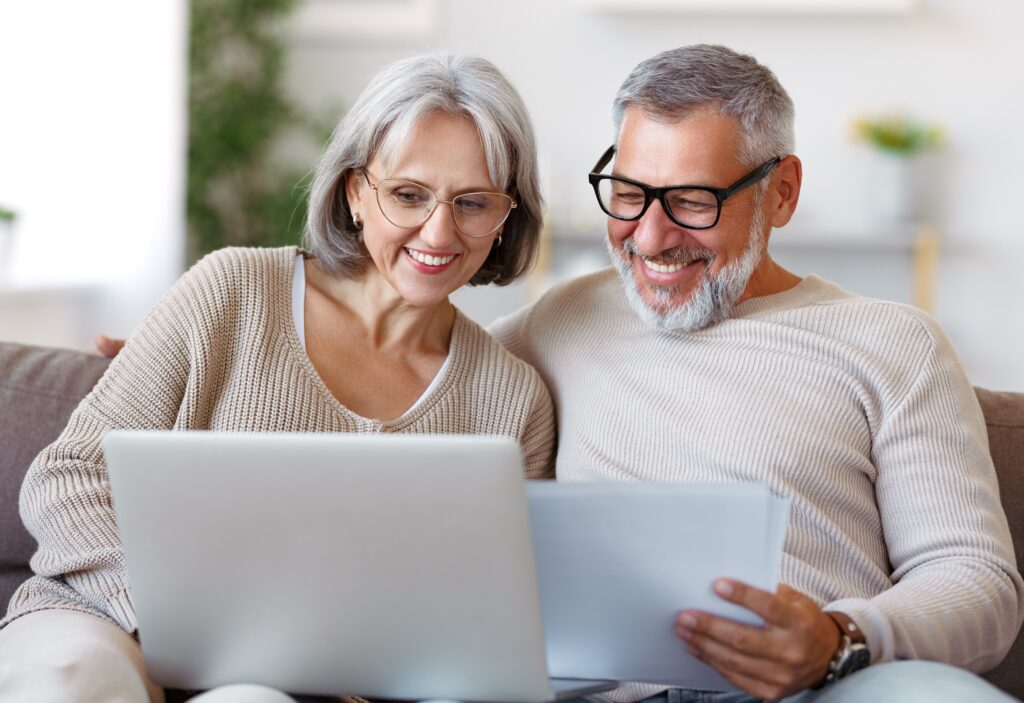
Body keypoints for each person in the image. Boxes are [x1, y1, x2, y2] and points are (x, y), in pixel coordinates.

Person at [0, 53, 554, 703]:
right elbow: (68, 476)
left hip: (297, 687)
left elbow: (495, 618)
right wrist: (172, 624)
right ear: (355, 192)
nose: (438, 230)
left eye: (473, 203)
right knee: (71, 684)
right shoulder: (232, 288)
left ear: (505, 217)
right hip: (106, 620)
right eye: (409, 194)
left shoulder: (513, 403)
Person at [489, 45, 1024, 702]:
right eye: (628, 194)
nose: (650, 238)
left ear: (782, 193)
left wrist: (838, 636)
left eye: (691, 200)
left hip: (828, 686)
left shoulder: (895, 343)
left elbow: (976, 579)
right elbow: (416, 379)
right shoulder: (559, 320)